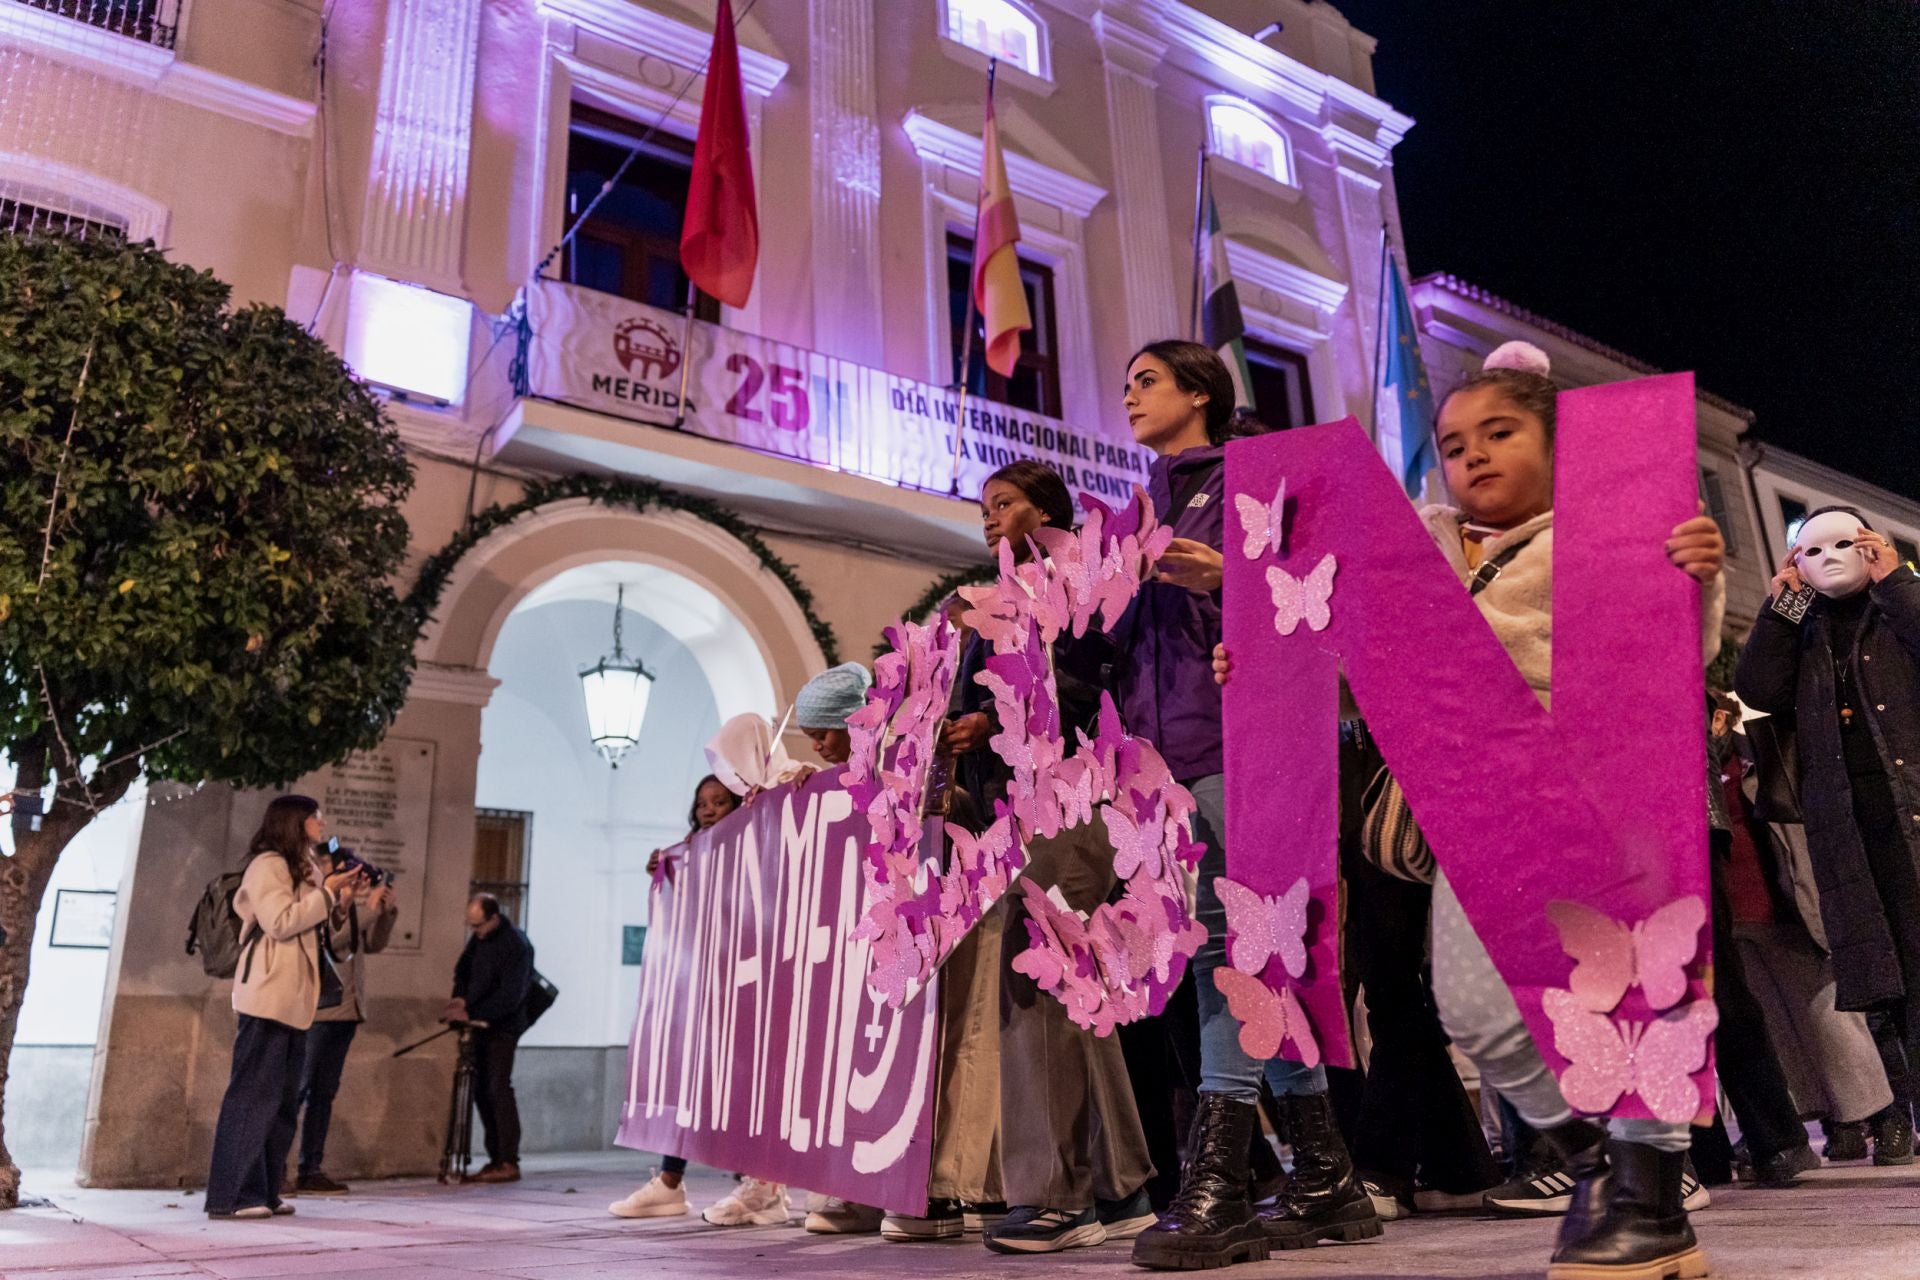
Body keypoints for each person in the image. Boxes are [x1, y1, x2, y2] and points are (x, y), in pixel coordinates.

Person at [1114, 340, 1380, 1271]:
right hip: (1163, 762)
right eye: (1127, 384)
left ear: (1200, 391)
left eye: (1147, 380)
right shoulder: (1138, 509)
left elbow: (1328, 600)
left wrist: (1226, 579)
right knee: (1228, 951)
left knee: (1234, 948)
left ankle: (1220, 1178)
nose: (1128, 395)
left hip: (1240, 743)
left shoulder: (1254, 480)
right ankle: (1324, 1175)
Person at [932, 460, 1157, 1255]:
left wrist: (985, 723)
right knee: (1071, 991)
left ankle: (1057, 1196)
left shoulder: (1070, 583)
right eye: (984, 507)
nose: (991, 517)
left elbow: (1087, 690)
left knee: (1040, 986)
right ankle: (1120, 1185)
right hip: (1015, 811)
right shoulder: (988, 597)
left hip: (1068, 799)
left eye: (1006, 503)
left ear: (1047, 510)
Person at [787, 660, 1008, 1240]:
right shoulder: (842, 786)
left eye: (824, 730)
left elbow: (952, 830)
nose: (816, 743)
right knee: (863, 1064)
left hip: (931, 945)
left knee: (932, 1063)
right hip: (871, 952)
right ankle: (869, 1186)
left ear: (857, 723)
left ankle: (936, 1192)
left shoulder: (925, 772)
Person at [1736, 504, 1920, 1168]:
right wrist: (1780, 609)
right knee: (1877, 975)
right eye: (1813, 550)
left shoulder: (1898, 611)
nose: (1830, 558)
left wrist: (1897, 579)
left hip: (1911, 817)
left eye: (1846, 544)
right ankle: (1896, 1114)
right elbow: (1757, 687)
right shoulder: (1804, 630)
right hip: (1842, 828)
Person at [1716, 699, 1897, 1163]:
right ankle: (1835, 1122)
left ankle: (1881, 1116)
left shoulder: (1754, 756)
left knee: (1829, 1015)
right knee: (1780, 1027)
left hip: (1784, 905)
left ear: (1721, 719)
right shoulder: (1701, 771)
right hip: (1736, 915)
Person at [205, 796, 362, 1219]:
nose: (322, 822)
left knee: (282, 1102)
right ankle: (233, 1196)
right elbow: (279, 921)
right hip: (268, 993)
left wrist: (339, 901)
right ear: (296, 821)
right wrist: (326, 893)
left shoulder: (305, 867)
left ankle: (266, 1190)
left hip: (296, 999)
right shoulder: (267, 864)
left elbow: (317, 930)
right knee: (253, 1096)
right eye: (315, 816)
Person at [1698, 693, 1824, 1186]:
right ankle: (1698, 1152)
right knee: (1662, 999)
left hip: (1685, 820)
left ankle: (1778, 1138)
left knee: (1720, 986)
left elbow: (1716, 723)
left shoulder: (1653, 645)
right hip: (1621, 824)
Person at [610, 775, 743, 1219]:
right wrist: (667, 871)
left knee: (738, 1083)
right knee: (686, 1078)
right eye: (701, 803)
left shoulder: (749, 847)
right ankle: (669, 1181)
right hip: (698, 986)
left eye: (719, 801)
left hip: (739, 985)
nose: (708, 810)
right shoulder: (692, 851)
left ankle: (758, 1184)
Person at [288, 842, 398, 1196]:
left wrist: (383, 913)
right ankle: (277, 1167)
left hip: (347, 1011)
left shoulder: (350, 906)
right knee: (298, 1090)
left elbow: (374, 945)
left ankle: (310, 1169)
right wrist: (360, 907)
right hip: (320, 1011)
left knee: (324, 1094)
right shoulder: (319, 903)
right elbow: (336, 946)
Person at [445, 892, 534, 1185]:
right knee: (481, 1090)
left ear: (494, 918)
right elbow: (463, 968)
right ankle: (494, 1157)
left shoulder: (517, 945)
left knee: (498, 1087)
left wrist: (473, 1011)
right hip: (477, 1023)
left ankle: (507, 1159)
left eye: (479, 926)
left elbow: (511, 996)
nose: (476, 933)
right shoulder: (480, 939)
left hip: (502, 1027)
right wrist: (459, 998)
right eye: (471, 927)